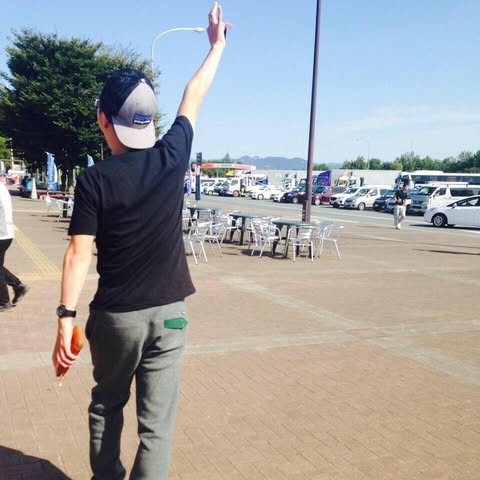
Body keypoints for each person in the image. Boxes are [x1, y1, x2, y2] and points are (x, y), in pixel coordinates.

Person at [52, 3, 230, 479]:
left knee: (107, 405)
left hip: (117, 320)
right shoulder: (172, 155)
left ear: (103, 120)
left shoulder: (94, 180)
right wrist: (216, 46)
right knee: (157, 425)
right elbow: (194, 94)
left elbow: (78, 254)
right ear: (148, 121)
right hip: (171, 314)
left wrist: (66, 318)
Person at [0, 176, 29, 311]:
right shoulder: (2, 187)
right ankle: (17, 285)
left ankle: (4, 302)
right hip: (7, 233)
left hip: (1, 234)